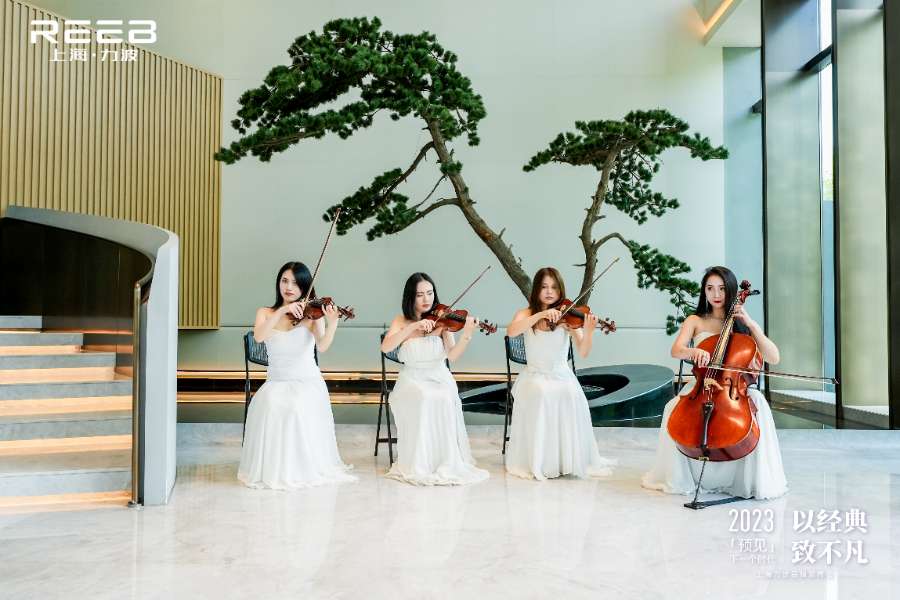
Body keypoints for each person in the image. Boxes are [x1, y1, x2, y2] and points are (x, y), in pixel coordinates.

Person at [642, 266, 787, 499]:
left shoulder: (742, 325)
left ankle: (746, 478)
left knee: (758, 405)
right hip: (702, 385)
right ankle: (682, 476)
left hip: (732, 390)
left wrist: (751, 324)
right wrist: (693, 352)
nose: (716, 294)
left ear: (730, 290)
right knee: (672, 408)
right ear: (704, 291)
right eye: (710, 288)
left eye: (721, 288)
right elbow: (676, 350)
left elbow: (774, 357)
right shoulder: (695, 320)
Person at [237, 261, 356, 489]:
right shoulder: (265, 312)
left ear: (304, 287)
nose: (289, 287)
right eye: (284, 281)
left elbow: (322, 346)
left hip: (307, 382)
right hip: (276, 381)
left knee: (293, 407)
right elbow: (259, 336)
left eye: (295, 283)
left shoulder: (312, 316)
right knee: (269, 404)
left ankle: (298, 468)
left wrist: (332, 323)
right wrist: (283, 310)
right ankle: (275, 468)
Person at [504, 267, 616, 480]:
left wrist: (589, 332)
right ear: (536, 290)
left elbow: (583, 351)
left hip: (561, 374)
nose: (549, 292)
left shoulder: (568, 317)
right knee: (541, 392)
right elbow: (512, 331)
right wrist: (541, 314)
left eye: (554, 287)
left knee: (571, 393)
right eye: (544, 287)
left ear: (560, 290)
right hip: (534, 375)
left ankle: (566, 460)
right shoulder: (526, 313)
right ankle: (541, 460)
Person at [380, 272, 489, 486]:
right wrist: (413, 327)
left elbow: (453, 356)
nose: (426, 299)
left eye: (430, 293)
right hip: (412, 379)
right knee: (424, 396)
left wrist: (467, 334)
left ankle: (443, 460)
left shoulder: (443, 321)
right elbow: (386, 347)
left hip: (439, 376)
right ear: (410, 297)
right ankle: (421, 461)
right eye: (420, 294)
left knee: (444, 396)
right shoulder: (401, 321)